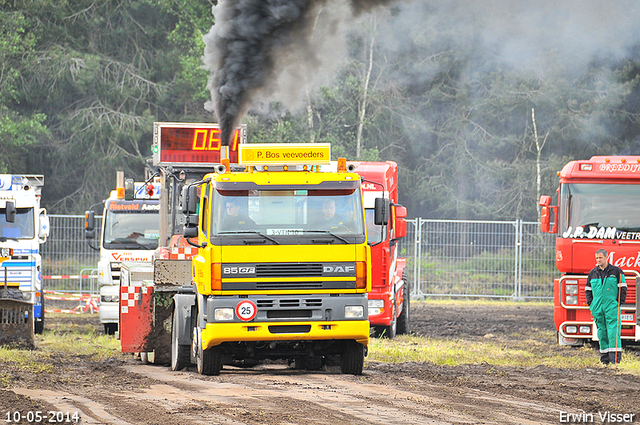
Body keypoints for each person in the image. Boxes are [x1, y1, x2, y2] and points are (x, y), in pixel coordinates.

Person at [585, 248, 627, 365]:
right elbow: (588, 290)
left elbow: (622, 288)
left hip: (611, 307)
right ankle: (604, 360)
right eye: (597, 258)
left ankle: (615, 360)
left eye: (600, 258)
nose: (598, 260)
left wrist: (617, 303)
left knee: (613, 331)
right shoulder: (592, 273)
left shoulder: (616, 271)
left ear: (606, 257)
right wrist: (591, 304)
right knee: (601, 332)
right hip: (597, 308)